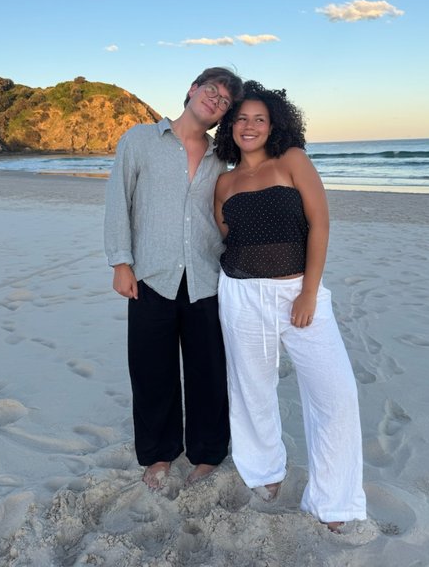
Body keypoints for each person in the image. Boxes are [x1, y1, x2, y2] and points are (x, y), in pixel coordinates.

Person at [211, 82, 365, 531]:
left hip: (298, 292)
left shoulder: (293, 160)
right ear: (230, 127)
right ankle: (264, 473)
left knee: (336, 394)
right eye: (241, 118)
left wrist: (309, 292)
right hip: (240, 294)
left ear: (274, 124)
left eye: (259, 118)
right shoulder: (223, 182)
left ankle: (332, 503)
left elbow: (320, 223)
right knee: (251, 388)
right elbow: (228, 235)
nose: (250, 126)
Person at [104, 66, 242, 490]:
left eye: (224, 102)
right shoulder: (140, 139)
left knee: (208, 371)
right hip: (151, 275)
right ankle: (159, 454)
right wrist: (120, 263)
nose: (215, 101)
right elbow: (118, 201)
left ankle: (206, 452)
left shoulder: (224, 156)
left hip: (206, 276)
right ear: (192, 90)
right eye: (212, 91)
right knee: (151, 371)